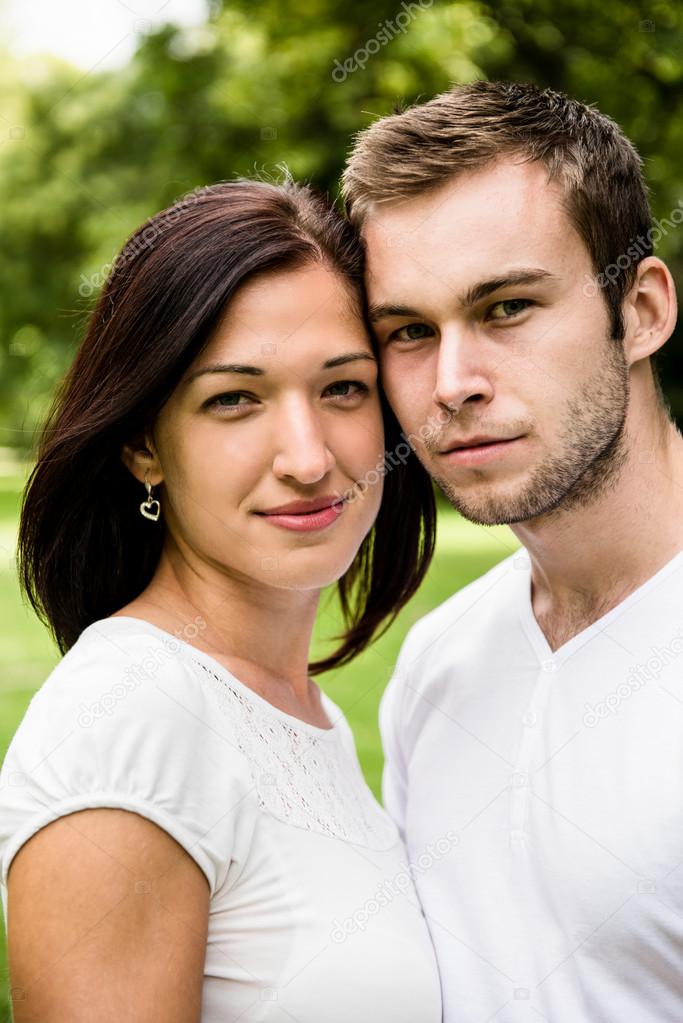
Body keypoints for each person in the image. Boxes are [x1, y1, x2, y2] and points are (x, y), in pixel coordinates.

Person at [0, 178, 442, 1022]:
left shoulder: (294, 709)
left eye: (342, 387)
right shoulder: (128, 726)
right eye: (234, 398)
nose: (308, 457)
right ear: (142, 444)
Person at [342, 80, 683, 1022]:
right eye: (408, 331)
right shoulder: (437, 660)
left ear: (642, 311)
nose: (451, 384)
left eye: (505, 308)